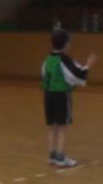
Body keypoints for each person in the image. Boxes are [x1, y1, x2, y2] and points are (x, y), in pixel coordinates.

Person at [41, 29, 97, 167]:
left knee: (52, 126)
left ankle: (52, 155)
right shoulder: (64, 59)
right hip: (61, 95)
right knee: (63, 127)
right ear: (66, 44)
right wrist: (88, 65)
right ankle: (61, 157)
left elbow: (44, 76)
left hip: (48, 95)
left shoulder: (47, 59)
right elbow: (76, 74)